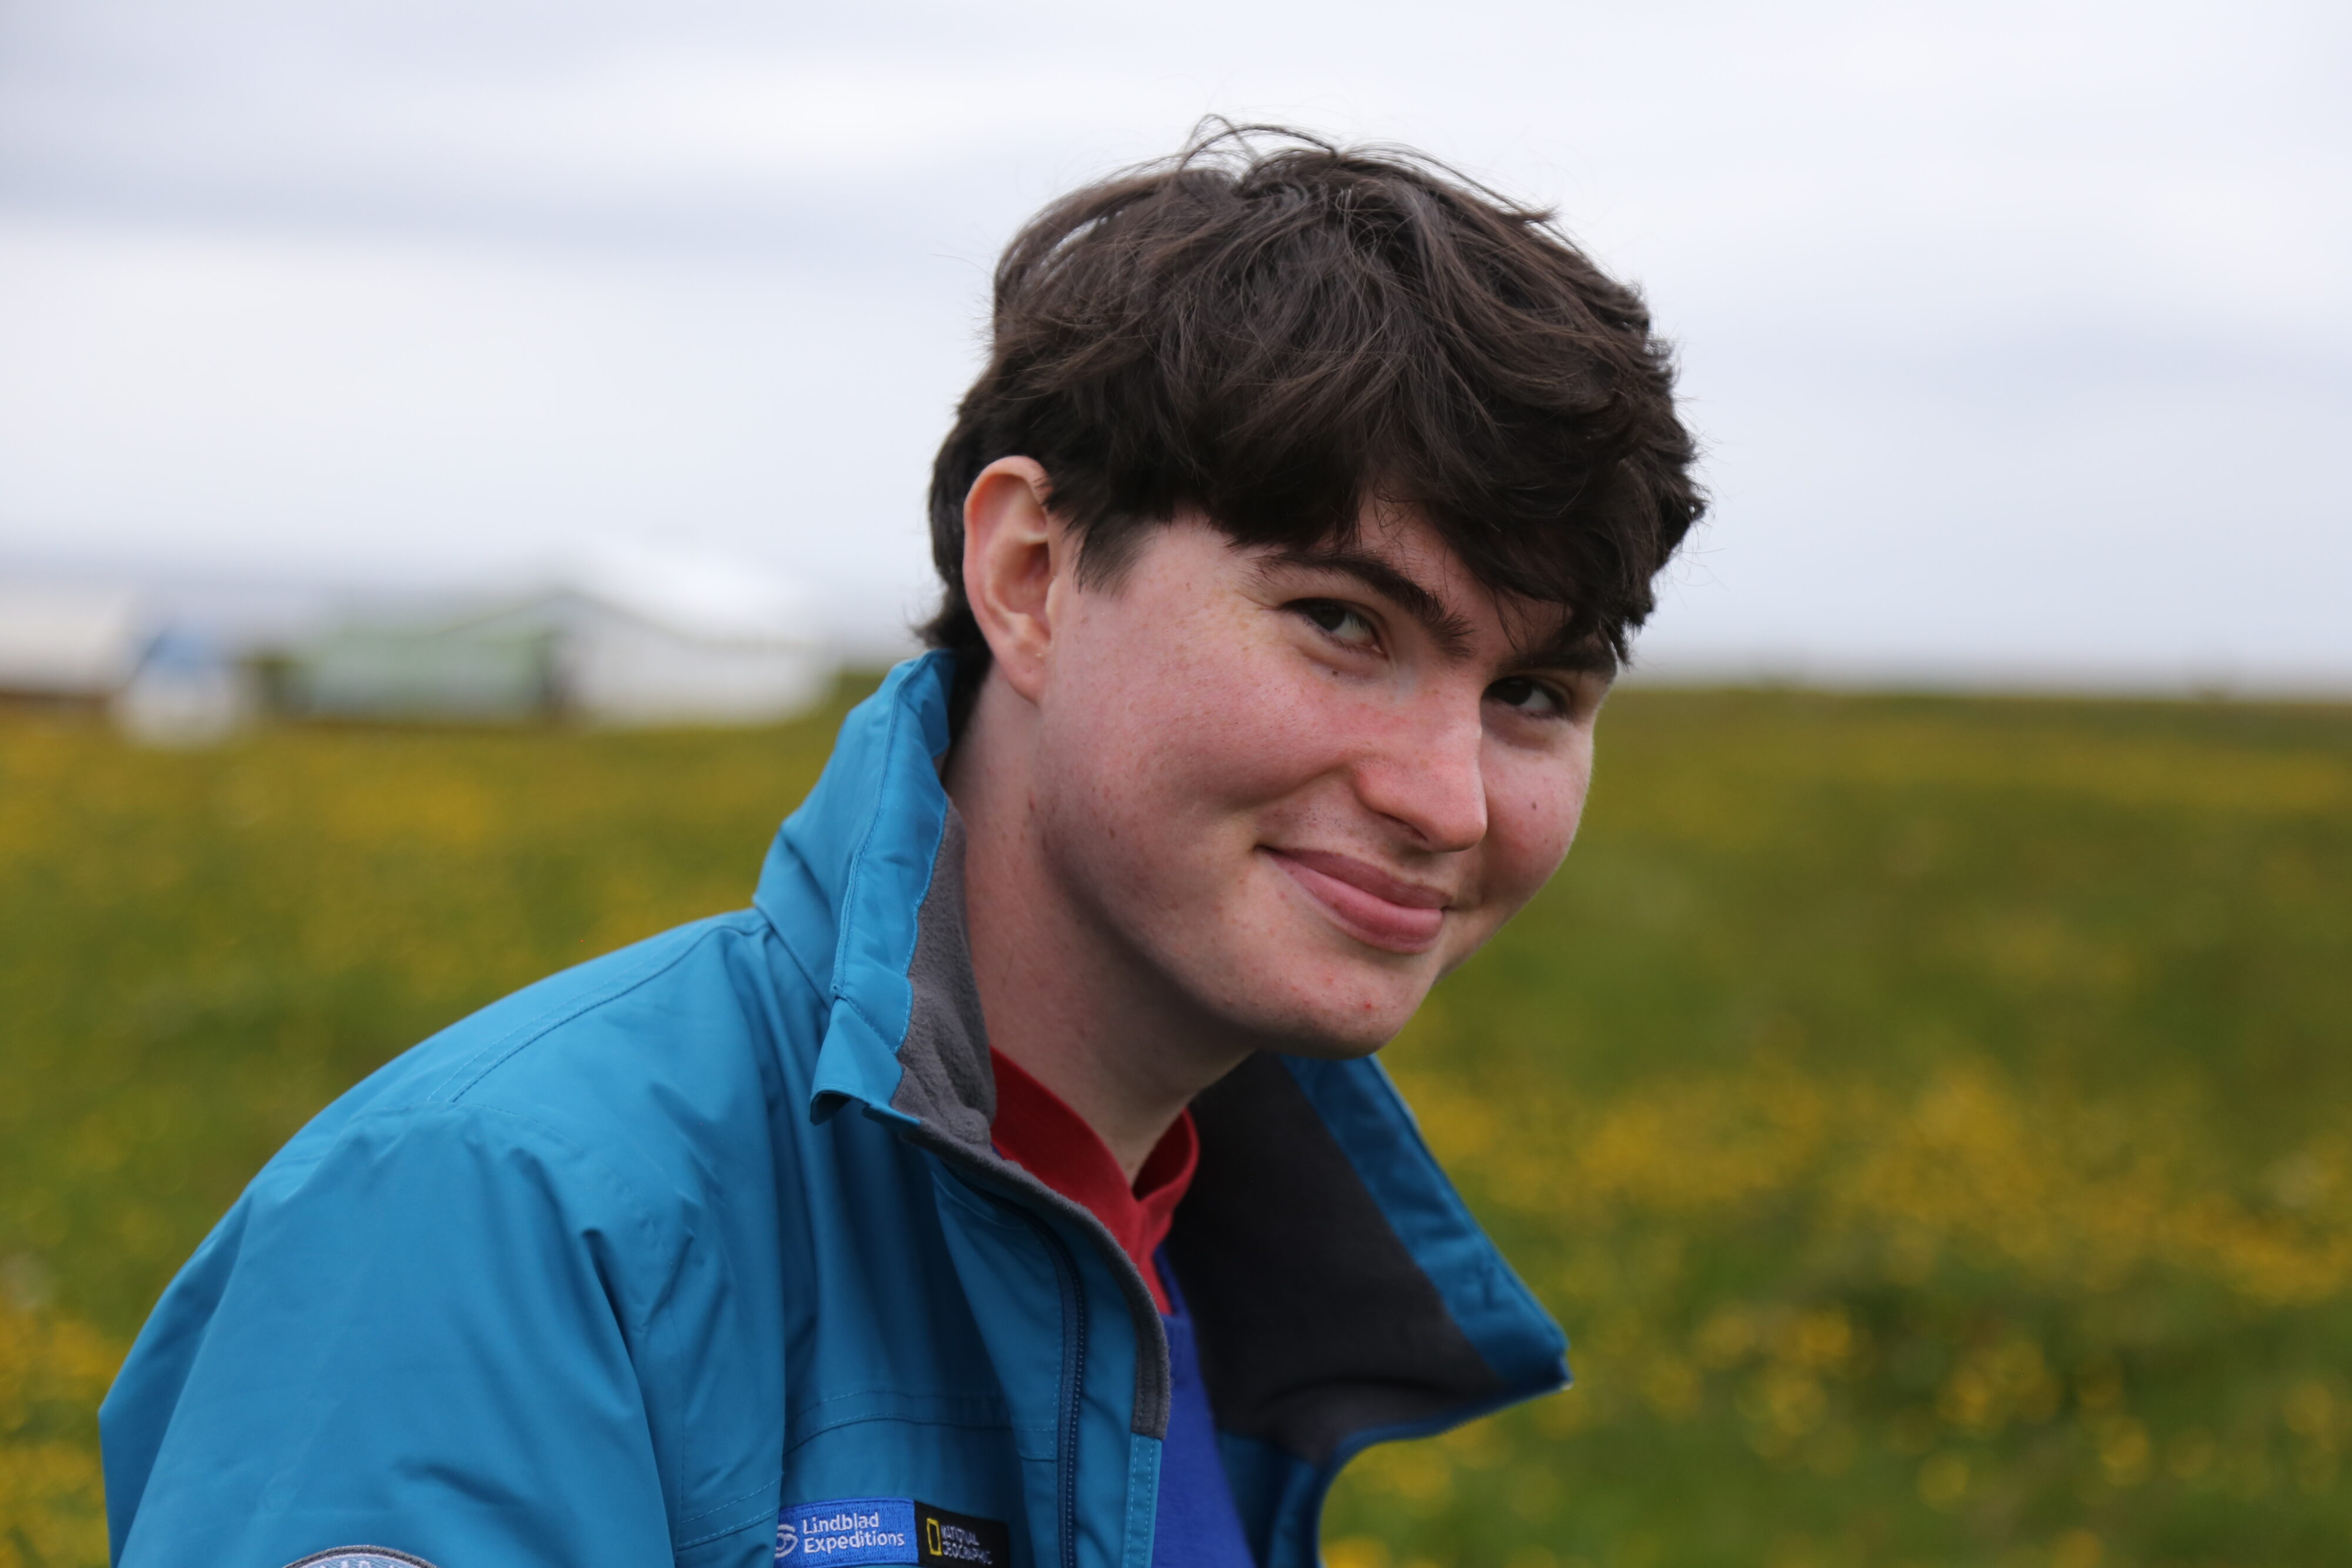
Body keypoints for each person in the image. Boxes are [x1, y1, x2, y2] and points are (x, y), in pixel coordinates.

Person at [99, 126, 1702, 1568]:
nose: (1450, 799)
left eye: (1535, 694)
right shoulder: (498, 1222)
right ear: (1030, 572)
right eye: (1344, 621)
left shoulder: (1216, 1257)